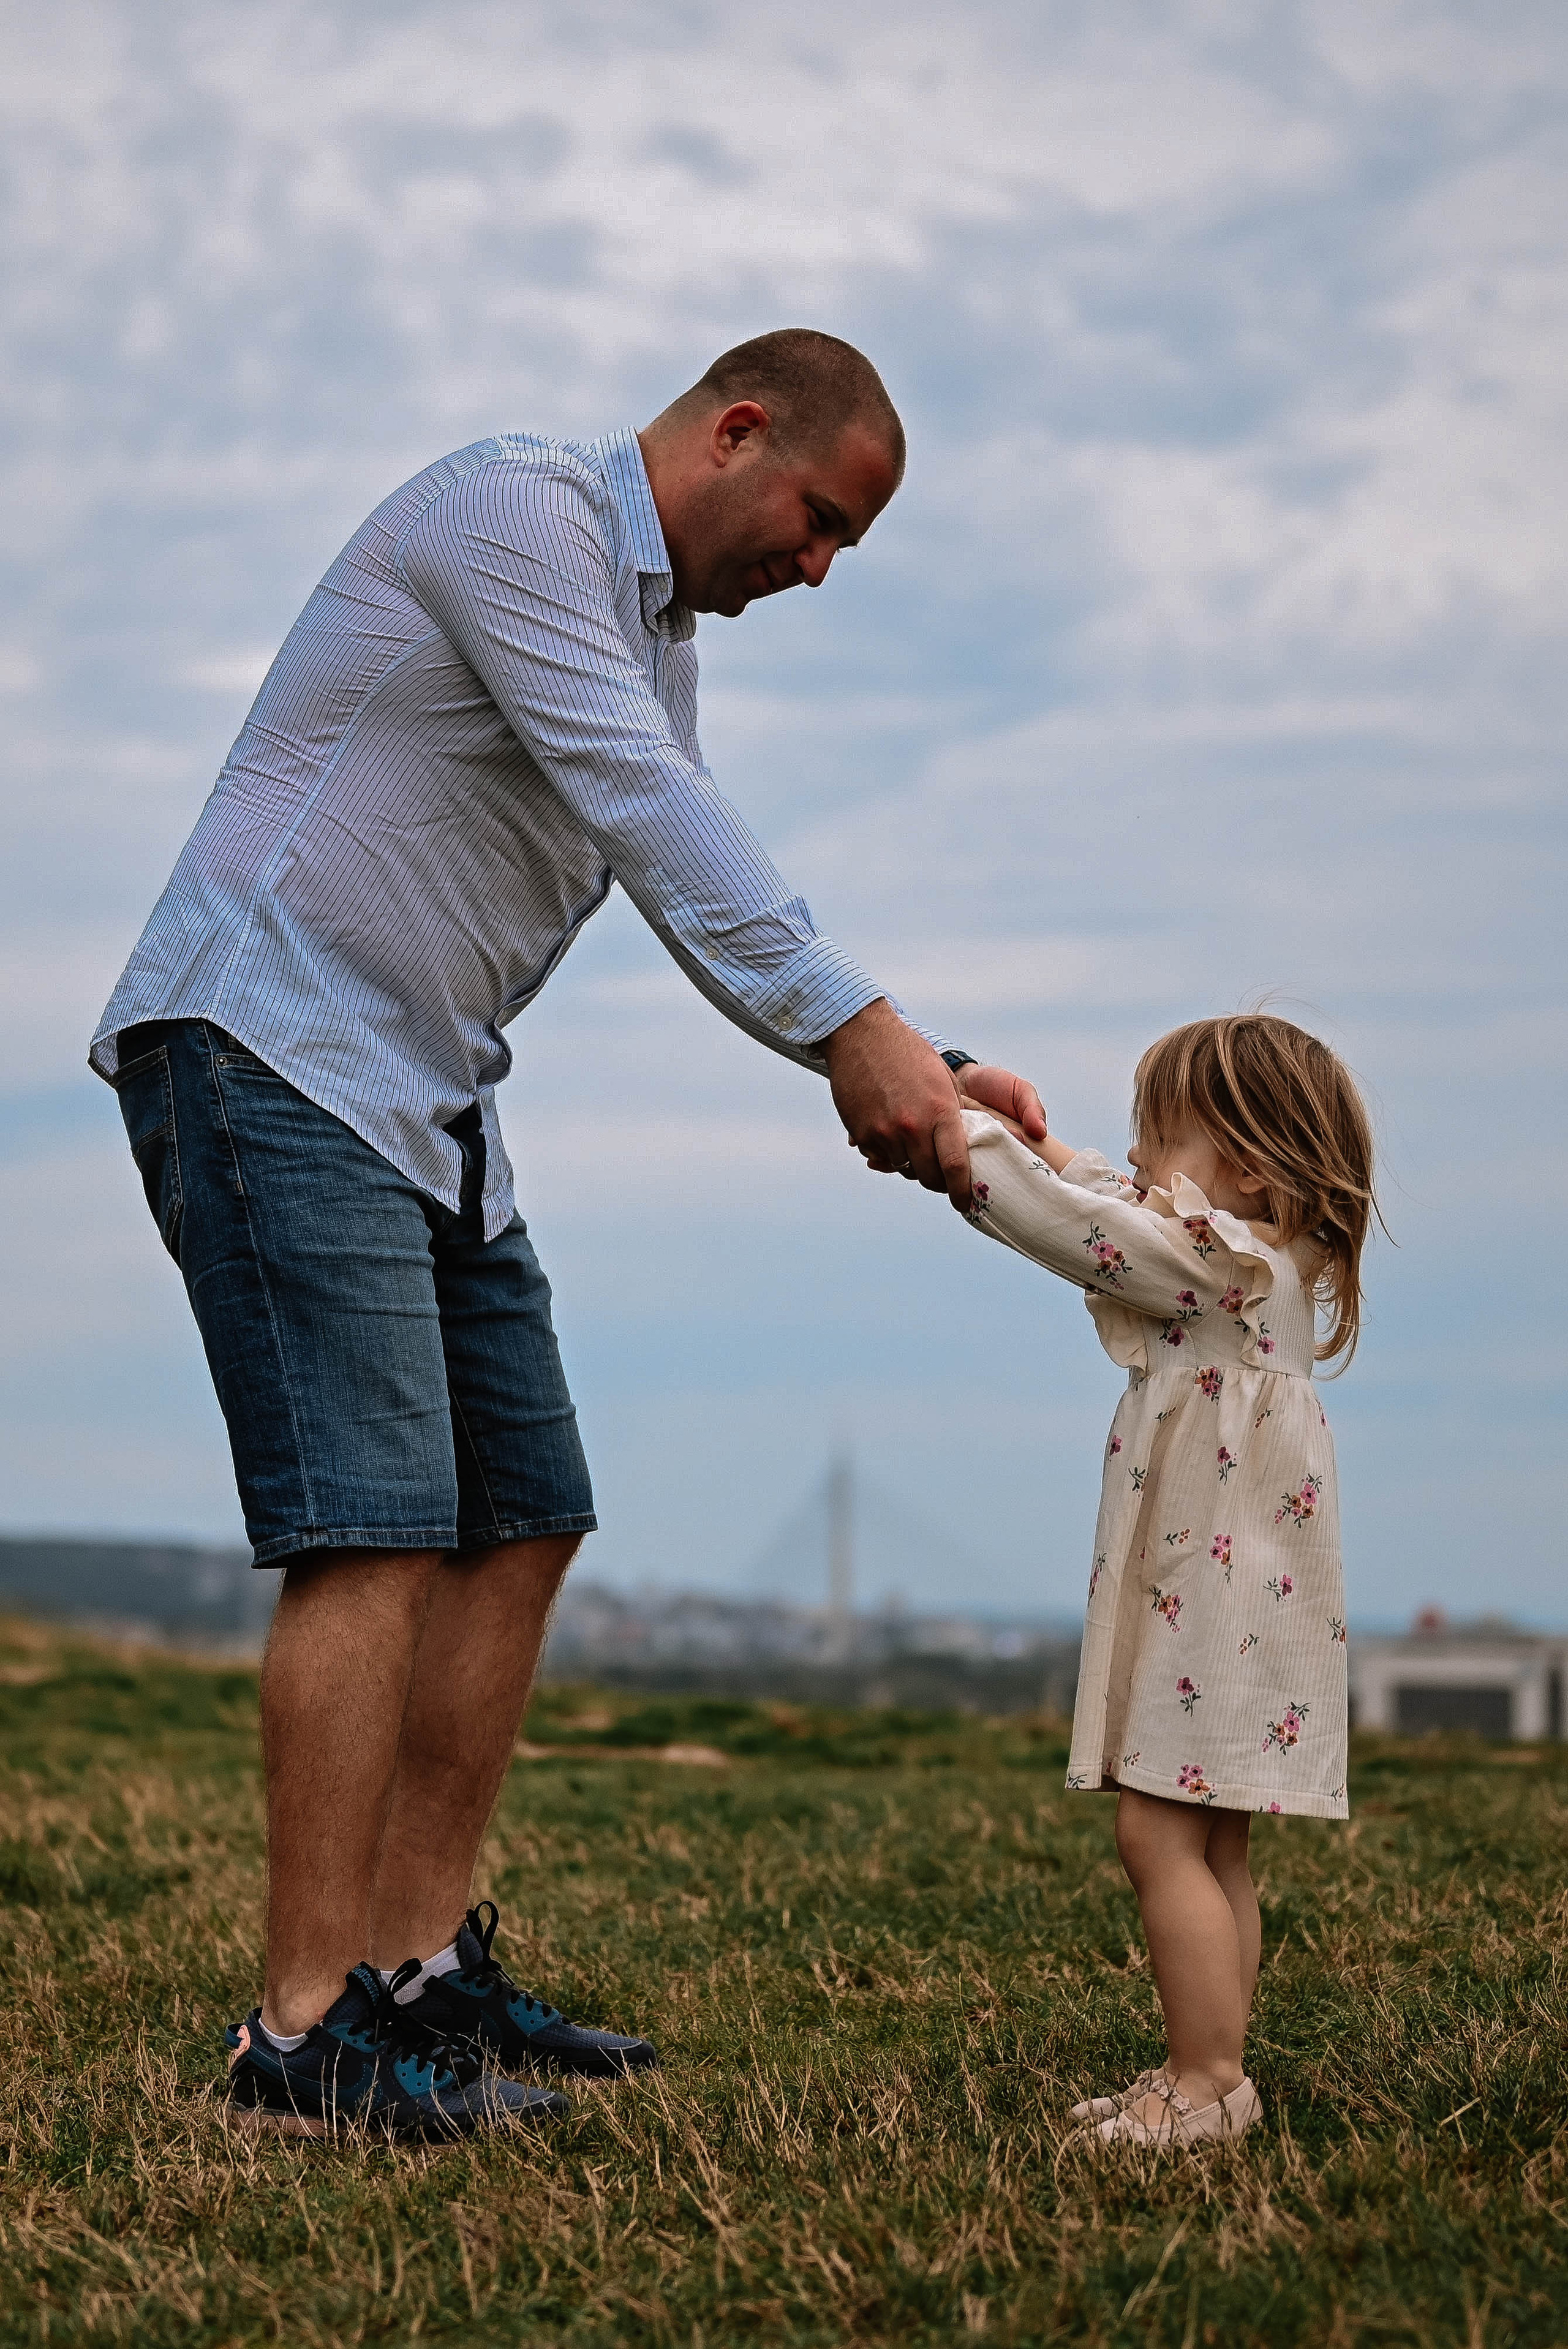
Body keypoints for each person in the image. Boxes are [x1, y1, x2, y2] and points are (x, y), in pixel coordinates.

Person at [89, 328, 1046, 2140]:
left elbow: (691, 878)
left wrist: (936, 1059)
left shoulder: (654, 649)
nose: (820, 569)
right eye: (822, 520)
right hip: (268, 1042)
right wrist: (863, 1030)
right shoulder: (514, 515)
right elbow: (647, 802)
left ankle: (422, 1967)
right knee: (371, 1526)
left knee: (524, 1503)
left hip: (430, 1098)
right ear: (739, 429)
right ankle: (305, 2043)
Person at [949, 1015, 1374, 2147]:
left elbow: (1072, 1226)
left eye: (1158, 1139)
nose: (1136, 1161)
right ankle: (1217, 2075)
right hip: (1246, 1599)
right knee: (1212, 1843)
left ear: (1247, 1169)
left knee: (1157, 1836)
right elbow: (1104, 1194)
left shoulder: (1216, 1269)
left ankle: (1204, 2078)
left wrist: (963, 1138)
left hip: (1217, 1594)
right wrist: (1022, 1129)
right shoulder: (1254, 1265)